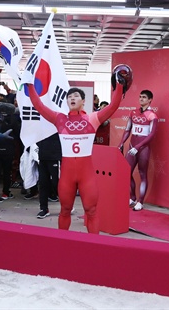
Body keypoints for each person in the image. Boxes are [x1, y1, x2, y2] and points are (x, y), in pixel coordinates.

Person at [21, 64, 131, 233]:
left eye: (76, 96)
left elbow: (113, 106)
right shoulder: (60, 119)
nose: (72, 98)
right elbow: (39, 106)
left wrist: (120, 85)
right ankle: (62, 247)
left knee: (91, 211)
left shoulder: (93, 118)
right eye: (69, 97)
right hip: (67, 175)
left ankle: (94, 248)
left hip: (87, 175)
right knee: (64, 210)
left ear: (83, 101)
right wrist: (29, 84)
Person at [118, 90, 158, 211]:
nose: (141, 99)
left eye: (144, 97)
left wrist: (138, 146)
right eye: (140, 96)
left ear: (150, 100)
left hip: (143, 148)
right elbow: (127, 129)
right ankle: (132, 197)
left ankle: (140, 201)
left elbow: (151, 135)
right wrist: (121, 143)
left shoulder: (152, 115)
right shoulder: (133, 112)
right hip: (132, 146)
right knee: (126, 172)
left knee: (142, 174)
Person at [36, 133, 62, 219]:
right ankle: (44, 208)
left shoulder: (57, 121)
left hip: (55, 156)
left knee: (57, 183)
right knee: (43, 183)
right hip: (42, 156)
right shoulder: (41, 123)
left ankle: (66, 205)